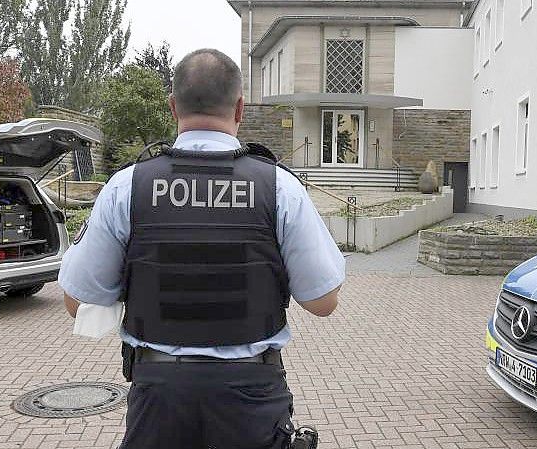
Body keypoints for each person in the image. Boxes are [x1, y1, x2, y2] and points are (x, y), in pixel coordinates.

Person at [59, 48, 345, 449]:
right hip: (251, 397)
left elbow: (78, 301)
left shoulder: (128, 186)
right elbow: (322, 301)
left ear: (173, 106)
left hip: (159, 398)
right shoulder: (279, 187)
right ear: (240, 107)